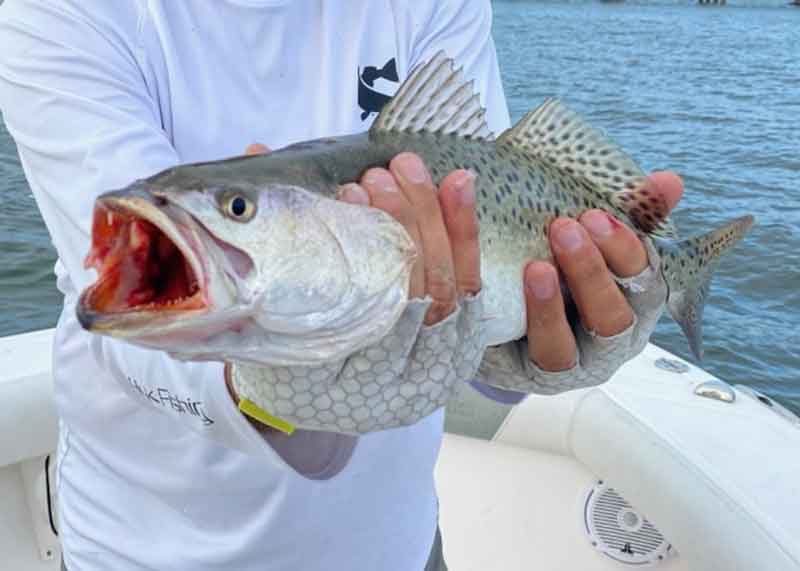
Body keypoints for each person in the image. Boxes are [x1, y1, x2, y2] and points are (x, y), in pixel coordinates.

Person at [0, 1, 682, 569]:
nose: (232, 218)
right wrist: (266, 388)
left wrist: (522, 354)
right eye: (240, 207)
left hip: (397, 545)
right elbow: (127, 298)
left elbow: (480, 224)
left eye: (237, 209)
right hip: (140, 551)